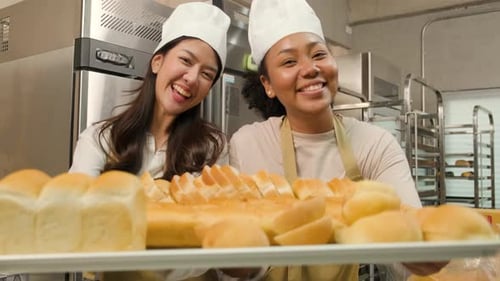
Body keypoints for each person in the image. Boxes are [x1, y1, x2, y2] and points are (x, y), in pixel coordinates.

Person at [229, 0, 447, 280]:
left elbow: (406, 242)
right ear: (268, 84)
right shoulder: (248, 145)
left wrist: (422, 255)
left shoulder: (375, 144)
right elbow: (239, 257)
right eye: (289, 61)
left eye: (318, 54)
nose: (310, 69)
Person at [70, 2, 229, 181]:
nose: (192, 78)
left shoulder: (212, 149)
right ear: (157, 62)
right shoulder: (99, 140)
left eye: (207, 74)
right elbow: (79, 204)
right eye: (185, 60)